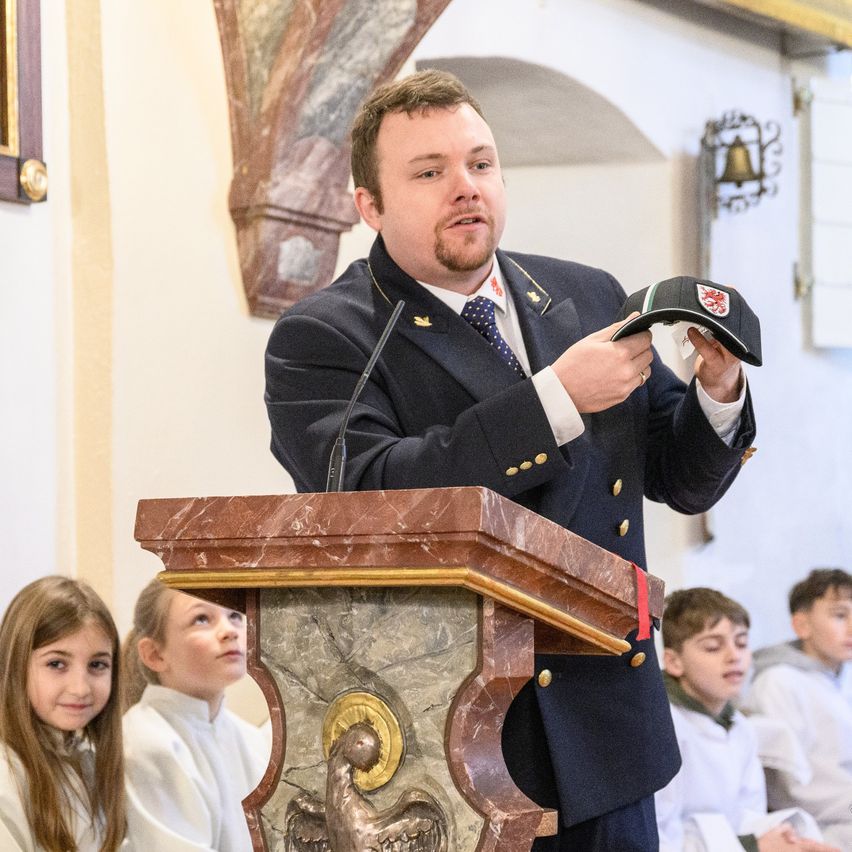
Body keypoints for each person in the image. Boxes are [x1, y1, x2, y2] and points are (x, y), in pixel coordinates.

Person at [263, 69, 757, 850]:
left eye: (480, 164)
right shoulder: (326, 337)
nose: (465, 188)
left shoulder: (587, 297)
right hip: (451, 747)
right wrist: (555, 399)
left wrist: (719, 389)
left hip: (609, 731)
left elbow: (679, 478)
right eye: (429, 172)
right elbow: (367, 495)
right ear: (369, 205)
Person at [655, 588, 834, 852]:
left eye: (741, 643)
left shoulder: (740, 728)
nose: (734, 656)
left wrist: (789, 841)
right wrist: (753, 847)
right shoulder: (663, 728)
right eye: (713, 646)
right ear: (674, 662)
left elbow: (748, 817)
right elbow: (660, 840)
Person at [121, 579, 269, 851]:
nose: (229, 631)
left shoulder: (251, 739)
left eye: (234, 615)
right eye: (202, 619)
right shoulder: (146, 741)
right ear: (154, 654)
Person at [0, 575, 127, 852]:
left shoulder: (89, 762)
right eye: (56, 663)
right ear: (15, 665)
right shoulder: (6, 775)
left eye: (97, 665)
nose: (80, 688)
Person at [744, 569, 852, 850]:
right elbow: (790, 783)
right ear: (801, 625)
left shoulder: (838, 678)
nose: (851, 626)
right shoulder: (778, 681)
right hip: (819, 828)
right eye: (840, 616)